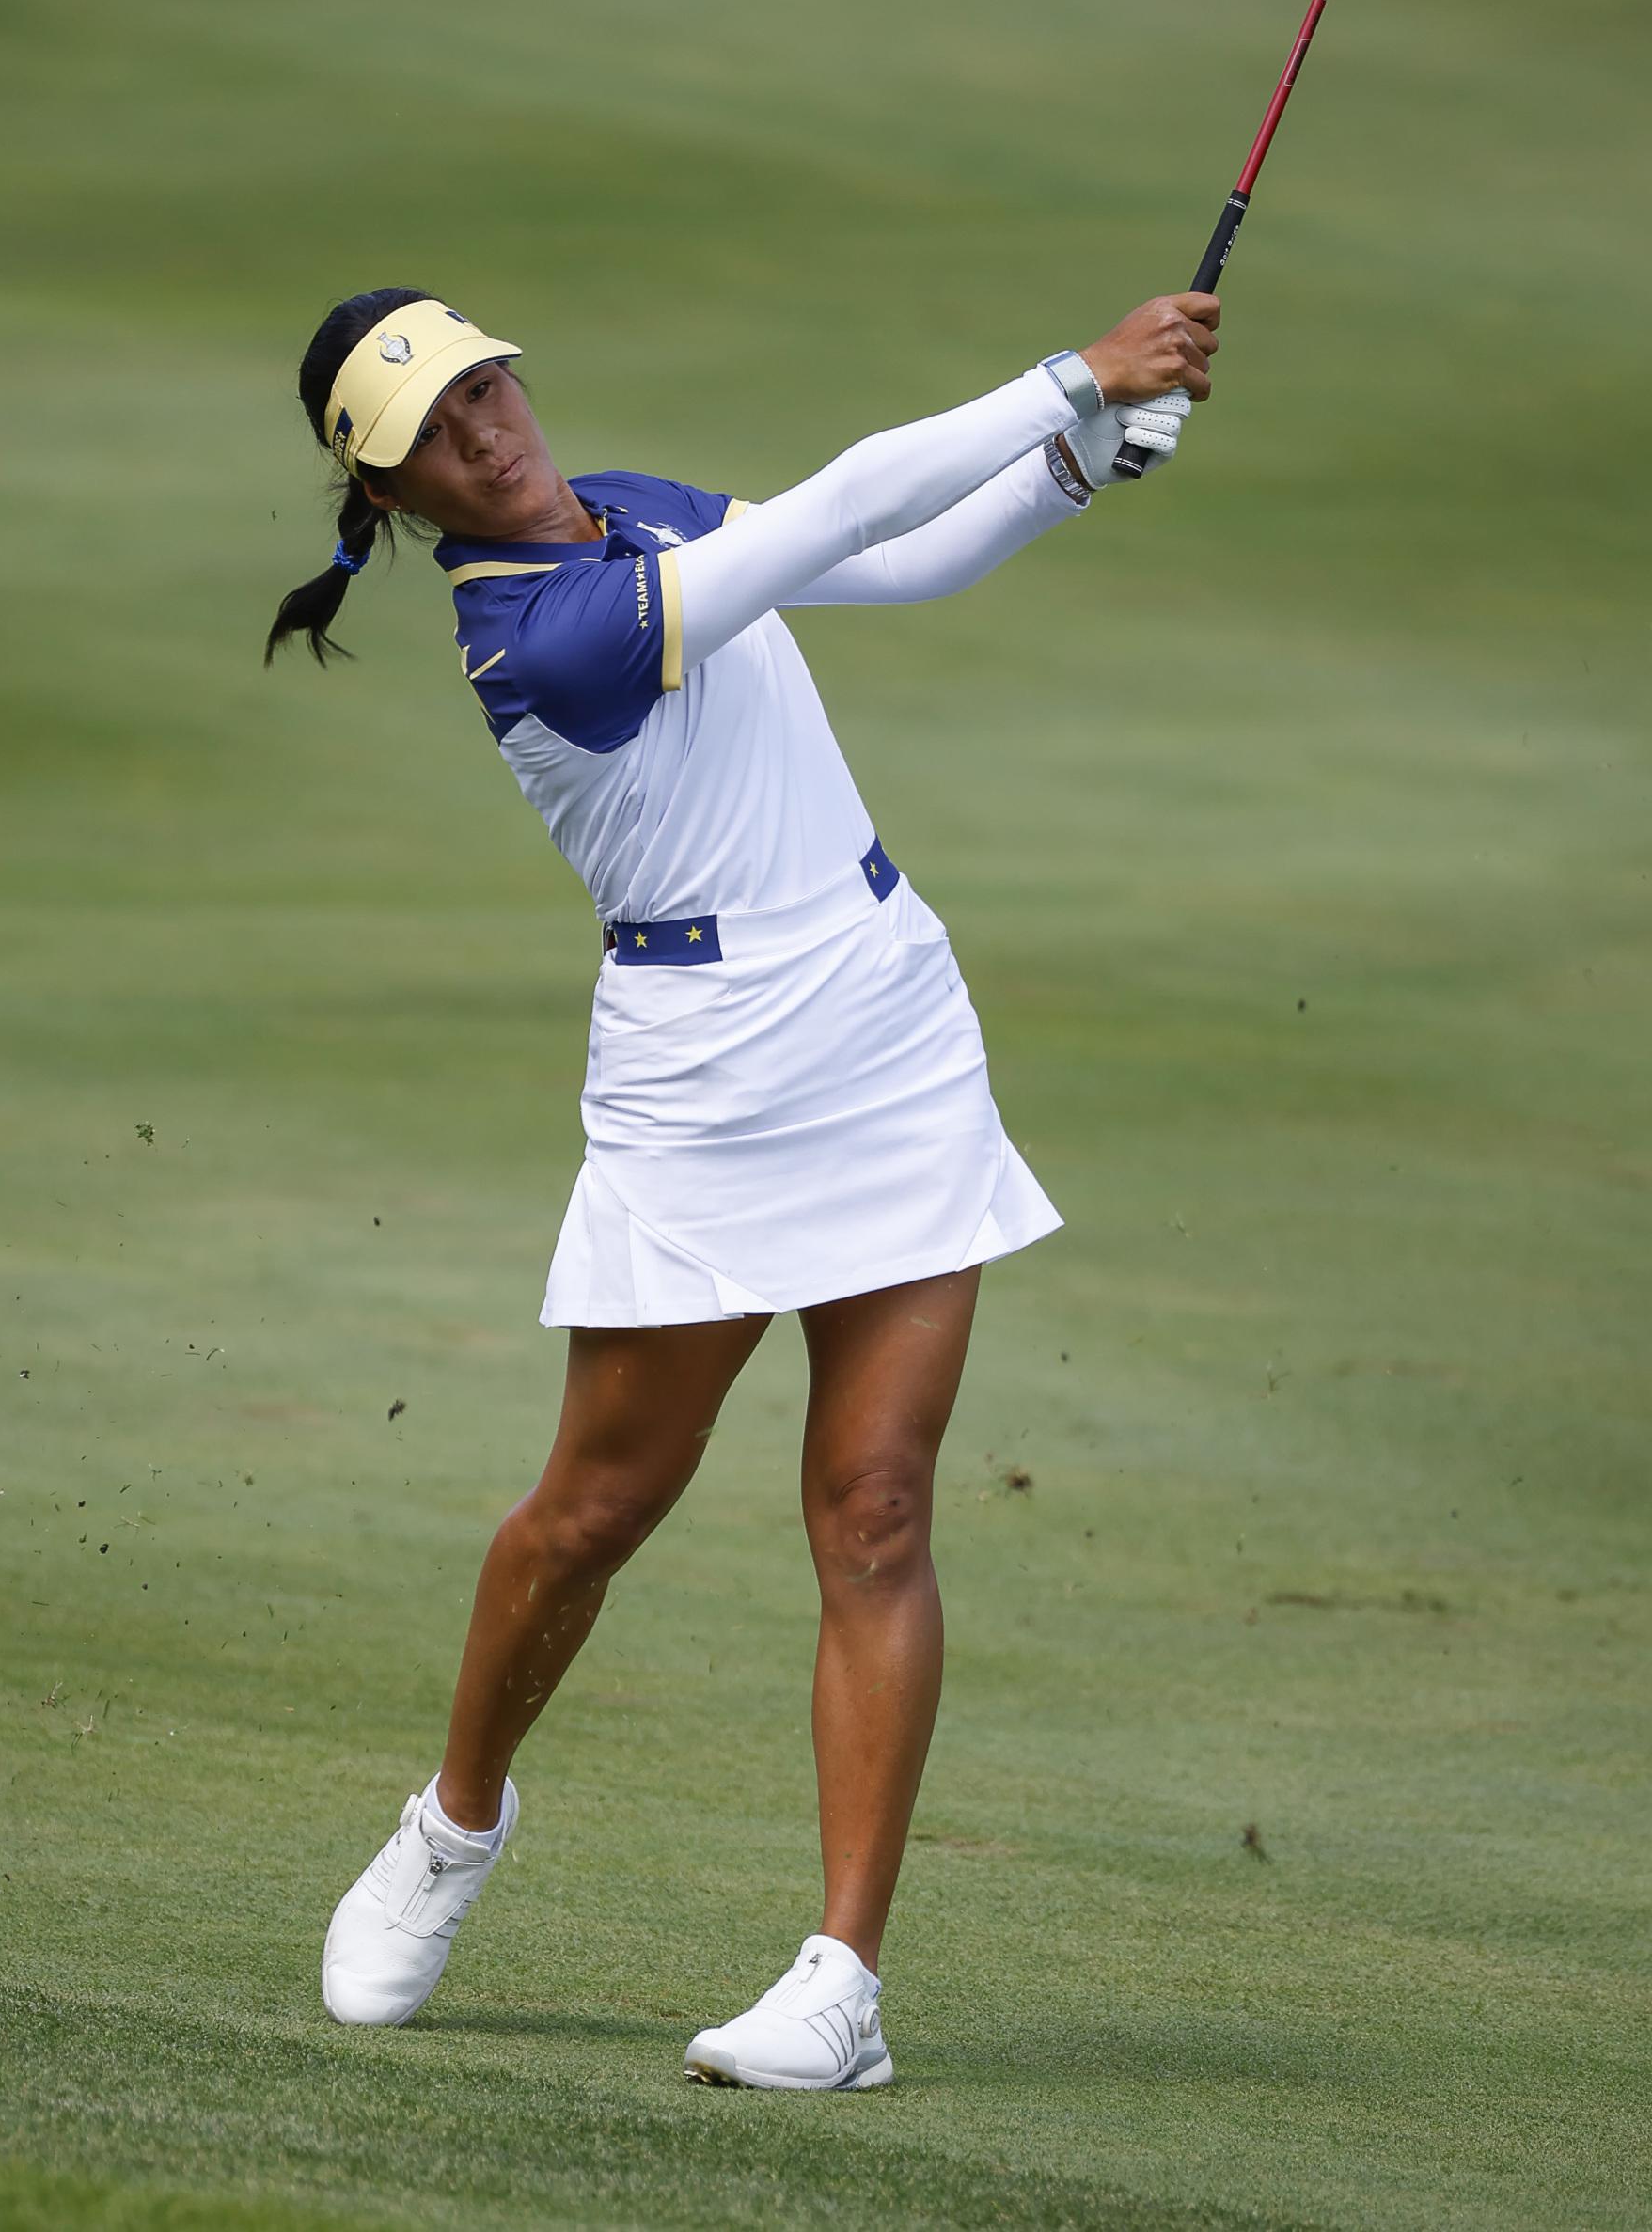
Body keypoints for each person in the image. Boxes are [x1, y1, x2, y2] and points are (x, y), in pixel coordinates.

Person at [263, 285, 1217, 2090]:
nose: (482, 426)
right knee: (593, 1512)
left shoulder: (629, 504)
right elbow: (843, 504)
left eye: (480, 383)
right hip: (703, 1087)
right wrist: (1072, 380)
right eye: (430, 434)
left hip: (888, 1025)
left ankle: (840, 1987)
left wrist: (1078, 465)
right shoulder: (540, 638)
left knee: (872, 1508)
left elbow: (898, 562)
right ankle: (453, 1824)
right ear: (393, 503)